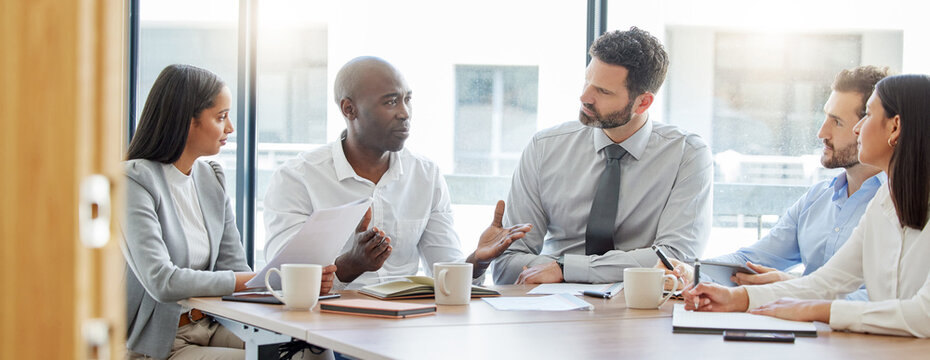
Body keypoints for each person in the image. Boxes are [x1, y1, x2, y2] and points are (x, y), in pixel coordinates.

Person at [683, 74, 930, 338]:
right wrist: (736, 298)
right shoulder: (883, 202)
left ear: (895, 127)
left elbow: (923, 315)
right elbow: (827, 282)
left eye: (867, 116)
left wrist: (819, 310)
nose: (858, 128)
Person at [122, 64, 336, 359]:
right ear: (187, 121)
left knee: (313, 349)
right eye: (221, 117)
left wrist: (290, 282)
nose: (231, 128)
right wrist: (267, 277)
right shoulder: (134, 182)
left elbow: (235, 268)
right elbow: (162, 281)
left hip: (212, 323)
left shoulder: (210, 178)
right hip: (163, 341)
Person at [263, 56, 532, 289]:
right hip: (321, 329)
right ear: (349, 109)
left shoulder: (426, 175)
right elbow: (278, 282)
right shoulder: (297, 178)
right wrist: (351, 265)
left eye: (407, 100)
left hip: (405, 327)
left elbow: (447, 275)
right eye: (391, 102)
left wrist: (478, 260)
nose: (405, 113)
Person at [492, 27, 713, 285]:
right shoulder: (545, 147)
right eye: (587, 81)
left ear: (643, 103)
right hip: (551, 309)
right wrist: (560, 268)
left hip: (641, 309)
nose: (584, 97)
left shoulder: (687, 155)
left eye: (603, 92)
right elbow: (507, 264)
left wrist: (565, 268)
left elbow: (673, 260)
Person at [658, 66, 889, 301]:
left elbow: (889, 297)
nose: (821, 133)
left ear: (870, 126)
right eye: (825, 117)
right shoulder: (817, 198)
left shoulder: (897, 205)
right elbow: (752, 260)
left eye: (837, 122)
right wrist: (691, 271)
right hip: (802, 326)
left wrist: (793, 286)